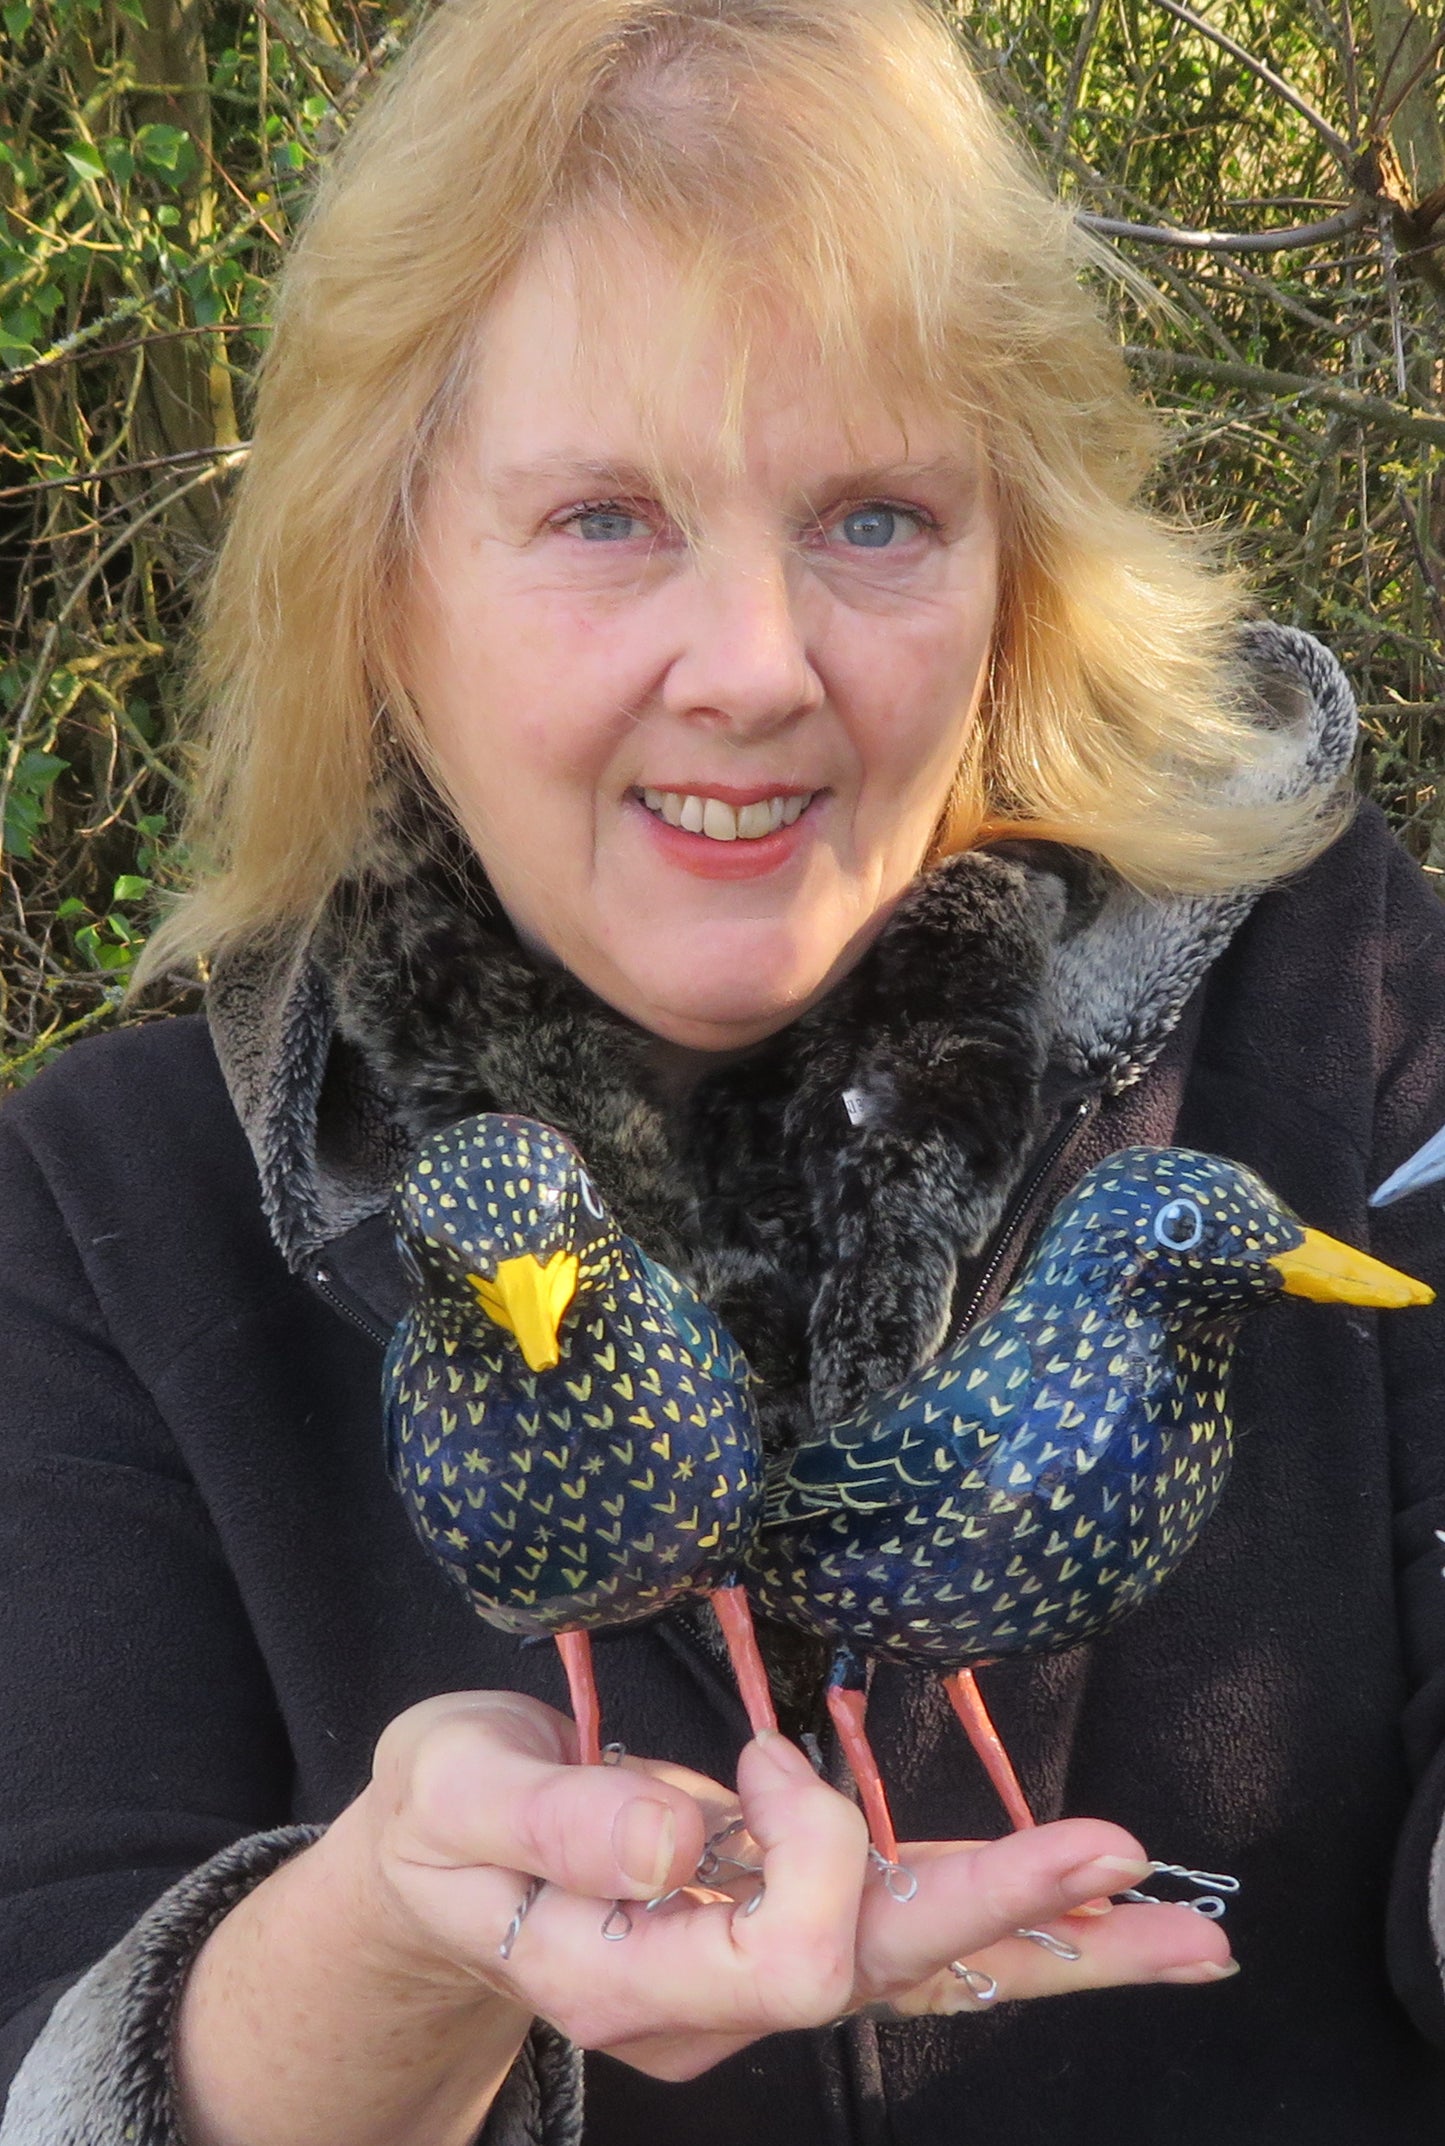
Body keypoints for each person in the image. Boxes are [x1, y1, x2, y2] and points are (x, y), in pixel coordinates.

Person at [2, 0, 1444, 2141]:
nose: (759, 666)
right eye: (606, 516)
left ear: (1012, 572)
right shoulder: (112, 1223)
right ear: (383, 579)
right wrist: (396, 1949)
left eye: (877, 516)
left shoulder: (1352, 1014)